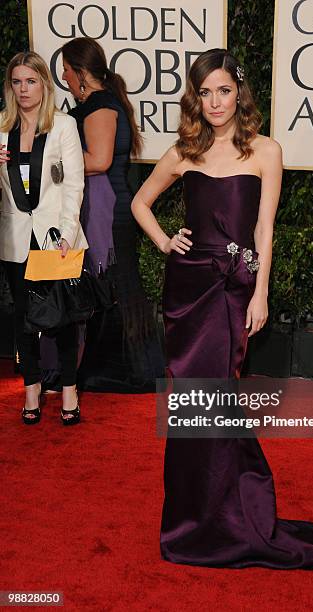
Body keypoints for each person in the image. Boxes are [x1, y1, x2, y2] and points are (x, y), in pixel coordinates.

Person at [132, 49, 313, 569]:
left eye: (223, 90)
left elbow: (264, 228)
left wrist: (261, 293)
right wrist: (166, 242)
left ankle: (230, 516)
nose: (214, 101)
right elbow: (141, 202)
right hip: (187, 291)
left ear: (240, 92)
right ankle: (192, 521)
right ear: (195, 96)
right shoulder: (185, 150)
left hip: (233, 292)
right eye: (204, 92)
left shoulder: (266, 151)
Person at [51, 37, 164, 393]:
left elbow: (98, 161)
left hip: (107, 211)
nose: (64, 77)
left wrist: (53, 163)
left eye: (67, 70)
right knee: (112, 288)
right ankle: (114, 369)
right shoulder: (98, 102)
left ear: (81, 72)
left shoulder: (100, 104)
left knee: (114, 287)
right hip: (106, 208)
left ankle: (124, 372)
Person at [0, 51, 87, 425]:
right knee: (22, 318)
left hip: (54, 237)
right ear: (10, 86)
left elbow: (74, 183)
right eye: (17, 82)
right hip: (15, 237)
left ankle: (69, 388)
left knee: (63, 317)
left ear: (44, 84)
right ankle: (32, 387)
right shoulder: (1, 127)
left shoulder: (63, 125)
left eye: (31, 81)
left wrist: (68, 232)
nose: (23, 89)